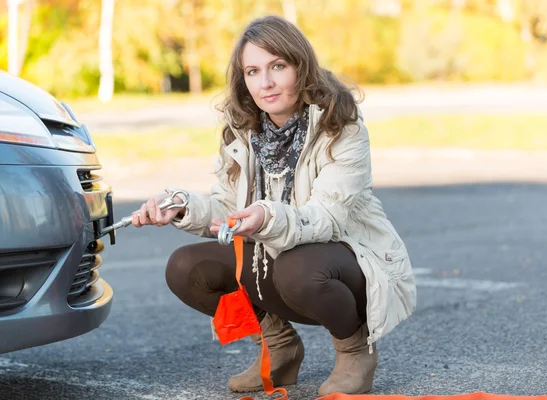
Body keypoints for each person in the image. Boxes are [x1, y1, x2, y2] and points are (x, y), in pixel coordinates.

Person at [132, 15, 416, 396]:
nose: (264, 83)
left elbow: (327, 218)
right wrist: (181, 207)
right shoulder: (243, 130)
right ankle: (278, 348)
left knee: (297, 267)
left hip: (347, 265)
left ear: (301, 67)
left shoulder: (341, 128)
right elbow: (228, 204)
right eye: (252, 71)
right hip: (278, 260)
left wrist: (267, 215)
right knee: (186, 267)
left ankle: (354, 349)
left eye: (277, 67)